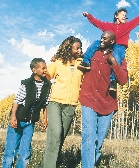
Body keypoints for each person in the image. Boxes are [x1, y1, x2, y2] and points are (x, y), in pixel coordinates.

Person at [79, 31, 128, 168]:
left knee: (98, 141)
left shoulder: (119, 57)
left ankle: (91, 163)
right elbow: (77, 60)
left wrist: (113, 62)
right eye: (101, 37)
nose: (101, 39)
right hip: (88, 98)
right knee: (88, 136)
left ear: (112, 41)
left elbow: (123, 80)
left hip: (107, 103)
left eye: (105, 38)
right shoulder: (92, 52)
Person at [78, 6, 139, 91]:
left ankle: (113, 81)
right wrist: (89, 16)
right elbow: (98, 23)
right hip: (108, 44)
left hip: (119, 46)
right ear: (116, 16)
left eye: (125, 15)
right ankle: (85, 62)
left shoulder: (127, 26)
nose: (124, 16)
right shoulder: (109, 26)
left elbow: (138, 19)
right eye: (122, 14)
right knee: (95, 43)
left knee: (116, 56)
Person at [42, 36, 84, 168]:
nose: (79, 50)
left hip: (71, 105)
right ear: (68, 47)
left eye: (80, 48)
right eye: (77, 47)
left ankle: (45, 164)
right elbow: (45, 75)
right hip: (55, 103)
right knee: (55, 134)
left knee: (60, 139)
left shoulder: (82, 63)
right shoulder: (58, 62)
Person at [2, 58, 51, 168]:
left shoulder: (47, 86)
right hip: (18, 121)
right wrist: (13, 117)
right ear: (34, 70)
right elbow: (17, 102)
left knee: (25, 152)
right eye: (43, 68)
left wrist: (45, 119)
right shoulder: (26, 84)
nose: (45, 70)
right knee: (10, 150)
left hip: (29, 124)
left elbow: (45, 104)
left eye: (45, 68)